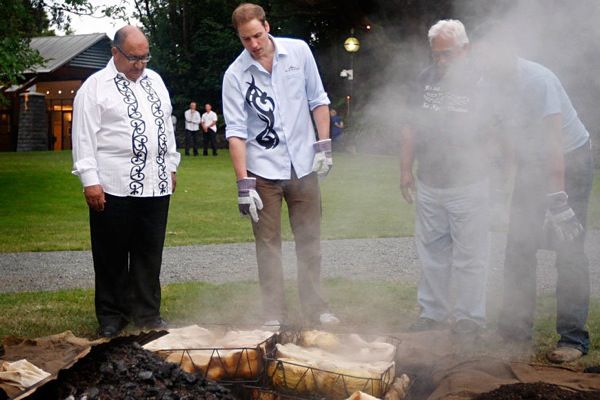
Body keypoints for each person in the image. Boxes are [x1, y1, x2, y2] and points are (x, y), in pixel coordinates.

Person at [475, 28, 594, 363]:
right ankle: (514, 333)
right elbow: (499, 136)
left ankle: (573, 338)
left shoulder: (538, 80)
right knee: (519, 246)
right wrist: (499, 184)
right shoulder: (487, 84)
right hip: (531, 161)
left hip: (570, 159)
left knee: (568, 247)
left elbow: (554, 143)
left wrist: (558, 200)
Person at [222, 3, 339, 328]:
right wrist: (244, 185)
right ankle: (274, 313)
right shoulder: (235, 75)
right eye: (246, 39)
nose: (254, 44)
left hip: (303, 165)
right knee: (268, 245)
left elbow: (318, 100)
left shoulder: (298, 52)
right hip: (263, 171)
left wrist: (324, 146)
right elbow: (236, 132)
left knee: (309, 239)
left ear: (267, 26)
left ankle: (315, 308)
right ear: (240, 37)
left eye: (257, 35)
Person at [71, 25, 180, 338]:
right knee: (111, 253)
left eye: (145, 57)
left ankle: (148, 313)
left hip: (155, 183)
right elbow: (83, 138)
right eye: (134, 57)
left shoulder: (156, 81)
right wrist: (90, 181)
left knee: (149, 252)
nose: (140, 64)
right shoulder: (95, 87)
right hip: (113, 185)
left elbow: (166, 128)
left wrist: (171, 165)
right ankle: (112, 314)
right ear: (115, 52)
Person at [400, 20, 492, 335]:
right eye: (435, 55)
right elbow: (411, 126)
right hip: (430, 181)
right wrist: (405, 169)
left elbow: (496, 130)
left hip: (469, 182)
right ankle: (432, 314)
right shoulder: (424, 79)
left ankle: (469, 319)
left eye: (447, 55)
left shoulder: (482, 81)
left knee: (470, 256)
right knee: (432, 255)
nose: (440, 61)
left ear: (464, 50)